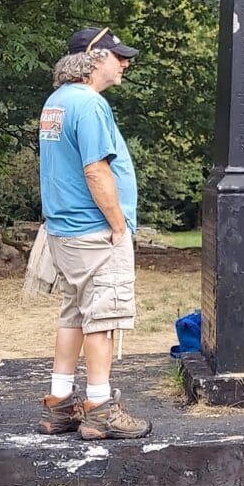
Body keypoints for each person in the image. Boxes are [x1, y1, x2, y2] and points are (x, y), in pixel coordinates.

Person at [36, 26, 150, 440]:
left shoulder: (57, 102)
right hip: (95, 232)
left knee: (74, 315)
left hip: (64, 232)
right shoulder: (89, 104)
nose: (125, 63)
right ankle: (100, 409)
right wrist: (119, 226)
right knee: (101, 320)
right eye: (118, 55)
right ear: (93, 57)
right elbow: (95, 169)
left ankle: (59, 405)